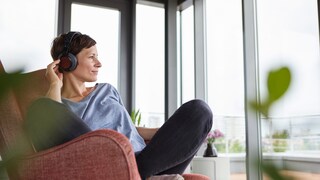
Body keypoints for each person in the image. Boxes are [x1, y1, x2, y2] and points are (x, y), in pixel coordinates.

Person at [23, 31, 213, 179]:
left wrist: (171, 133)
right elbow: (53, 127)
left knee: (199, 110)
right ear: (68, 61)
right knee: (41, 109)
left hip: (148, 160)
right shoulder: (57, 105)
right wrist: (55, 84)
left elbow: (128, 127)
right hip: (107, 167)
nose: (99, 63)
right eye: (91, 57)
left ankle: (142, 175)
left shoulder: (107, 90)